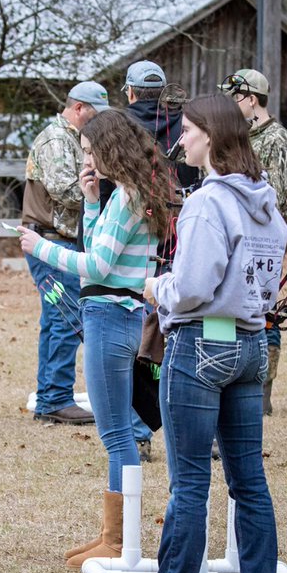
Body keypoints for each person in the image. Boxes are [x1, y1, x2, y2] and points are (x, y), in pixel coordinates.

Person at [127, 94, 287, 573]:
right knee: (249, 482)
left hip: (200, 345)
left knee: (190, 484)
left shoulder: (206, 202)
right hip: (249, 345)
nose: (183, 141)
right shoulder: (264, 201)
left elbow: (193, 286)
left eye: (189, 131)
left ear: (212, 138)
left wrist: (157, 287)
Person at [17, 109, 171, 569]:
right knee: (118, 433)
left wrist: (40, 247)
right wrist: (88, 201)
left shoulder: (126, 198)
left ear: (109, 148)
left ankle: (119, 540)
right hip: (116, 316)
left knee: (116, 435)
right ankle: (113, 535)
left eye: (89, 151)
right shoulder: (126, 195)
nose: (86, 159)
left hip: (109, 318)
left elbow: (98, 267)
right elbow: (99, 249)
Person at [105, 60, 204, 459]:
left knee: (135, 334)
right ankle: (198, 429)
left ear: (129, 92)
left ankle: (138, 432)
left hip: (134, 242)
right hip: (185, 239)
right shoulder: (192, 126)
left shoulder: (119, 127)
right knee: (182, 328)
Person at [21, 81, 110, 425]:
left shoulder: (71, 138)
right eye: (94, 114)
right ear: (78, 109)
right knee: (66, 317)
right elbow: (67, 192)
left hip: (58, 239)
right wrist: (103, 186)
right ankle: (56, 398)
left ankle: (50, 397)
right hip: (50, 240)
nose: (97, 121)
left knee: (57, 317)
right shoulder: (57, 141)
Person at [221, 69, 287, 416]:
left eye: (235, 98)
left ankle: (261, 393)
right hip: (238, 240)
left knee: (264, 313)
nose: (230, 104)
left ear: (252, 99)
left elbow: (276, 197)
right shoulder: (242, 136)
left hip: (265, 244)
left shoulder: (278, 140)